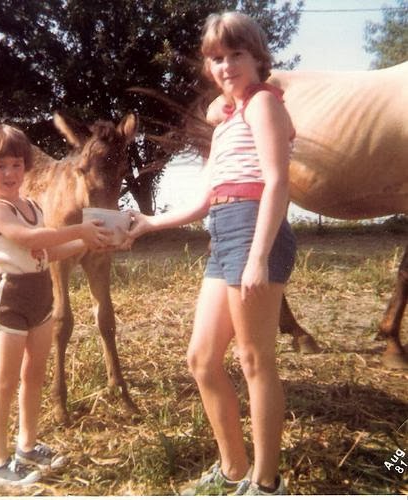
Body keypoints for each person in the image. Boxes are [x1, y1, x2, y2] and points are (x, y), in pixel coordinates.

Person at [129, 11, 296, 496]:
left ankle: (266, 484)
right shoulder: (226, 124)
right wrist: (149, 222)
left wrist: (259, 256)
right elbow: (206, 198)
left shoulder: (263, 104)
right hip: (223, 230)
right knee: (202, 359)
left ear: (257, 58)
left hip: (253, 228)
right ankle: (233, 470)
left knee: (254, 360)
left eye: (236, 54)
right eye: (217, 58)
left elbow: (277, 182)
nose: (226, 66)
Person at [0, 124, 116, 486]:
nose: (9, 173)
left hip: (40, 298)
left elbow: (47, 253)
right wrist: (80, 230)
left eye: (16, 165)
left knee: (33, 376)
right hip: (11, 300)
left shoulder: (31, 206)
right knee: (5, 382)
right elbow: (29, 239)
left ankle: (28, 445)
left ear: (26, 166)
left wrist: (91, 242)